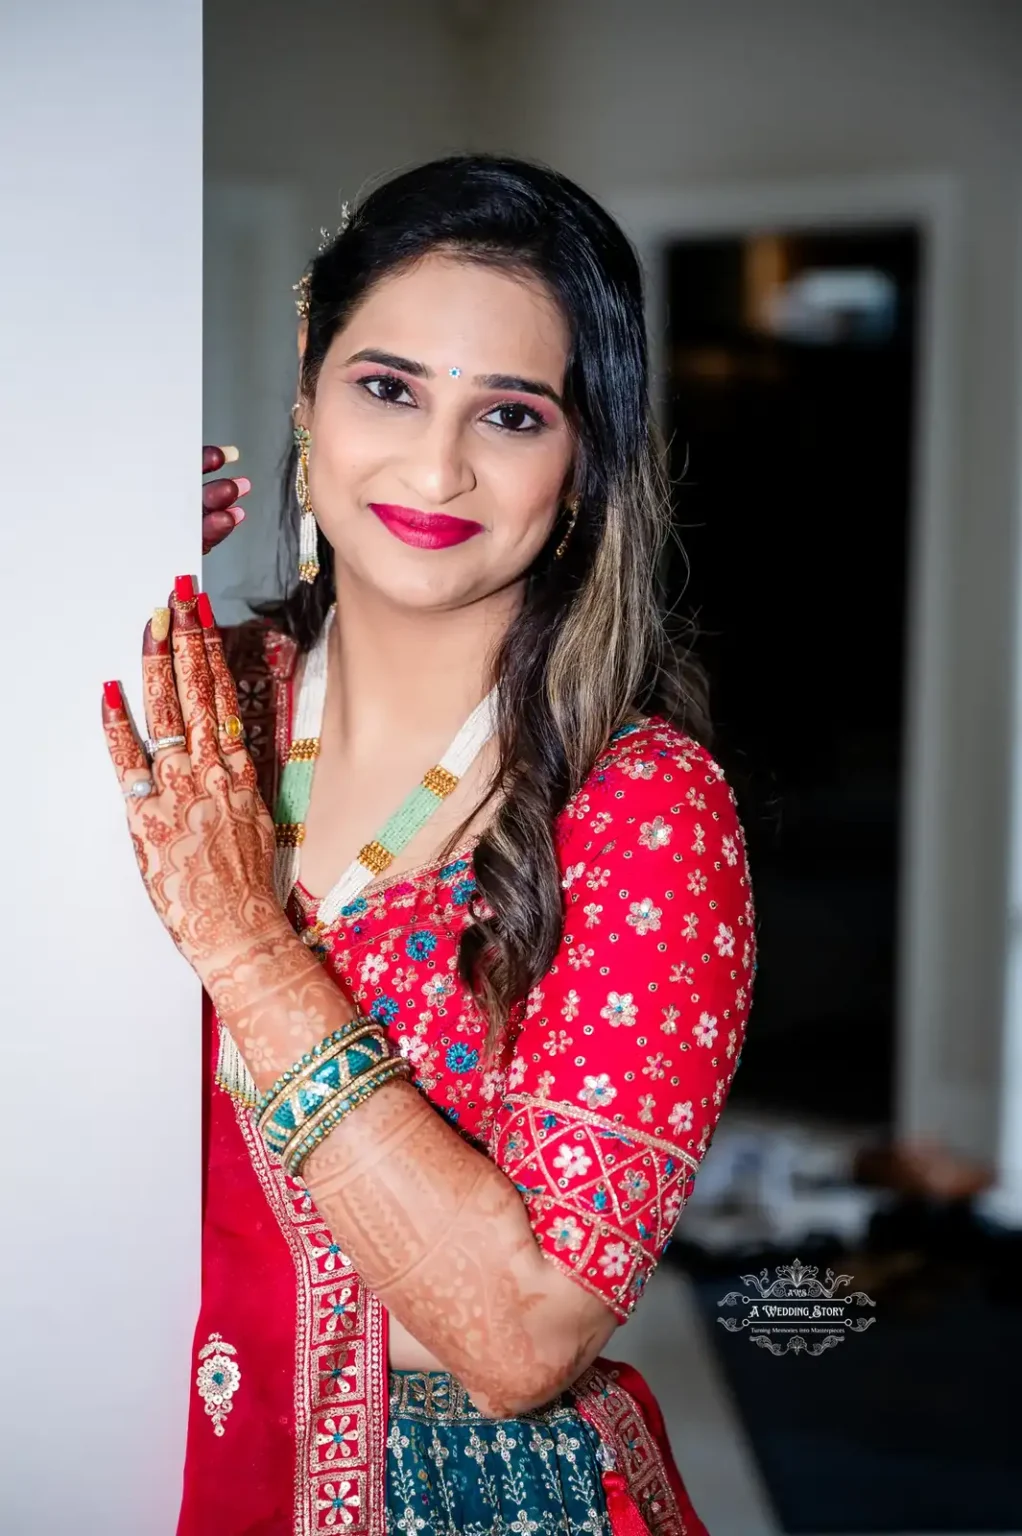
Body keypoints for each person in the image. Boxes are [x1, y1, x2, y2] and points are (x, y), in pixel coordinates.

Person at [102, 154, 756, 1536]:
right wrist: (50, 576)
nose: (435, 465)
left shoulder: (638, 808)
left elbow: (522, 1335)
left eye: (509, 416)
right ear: (307, 380)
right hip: (110, 1450)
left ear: (583, 462)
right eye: (386, 387)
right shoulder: (186, 699)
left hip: (462, 1500)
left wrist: (247, 947)